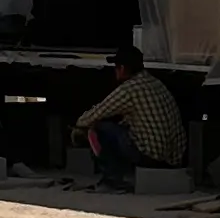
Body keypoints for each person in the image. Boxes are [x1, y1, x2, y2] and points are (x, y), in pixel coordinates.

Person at [73, 42, 187, 191]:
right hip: (172, 158)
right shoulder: (155, 83)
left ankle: (112, 180)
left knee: (98, 129)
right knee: (120, 129)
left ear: (122, 68)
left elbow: (97, 112)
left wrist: (78, 126)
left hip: (151, 156)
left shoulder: (129, 89)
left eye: (116, 67)